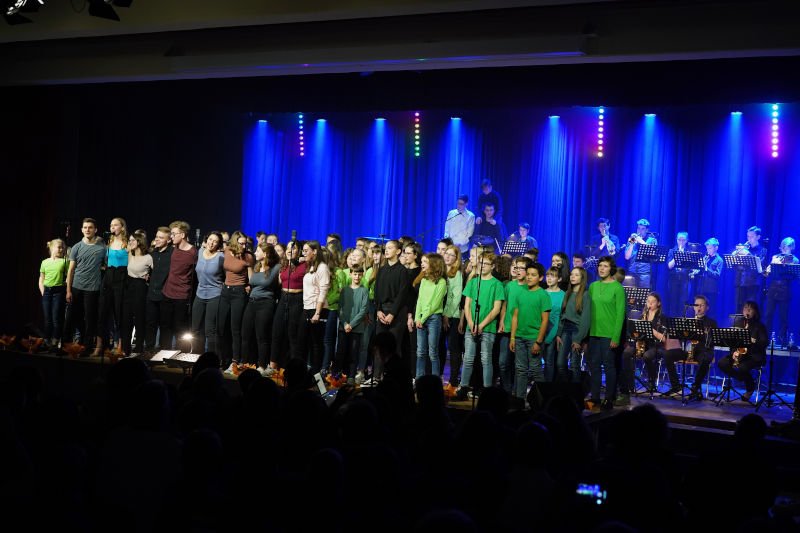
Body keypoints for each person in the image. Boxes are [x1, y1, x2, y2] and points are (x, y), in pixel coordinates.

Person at [454, 251, 505, 400]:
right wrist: (470, 323)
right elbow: (467, 304)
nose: (482, 266)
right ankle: (463, 387)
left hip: (487, 328)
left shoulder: (497, 284)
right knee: (468, 358)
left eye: (486, 264)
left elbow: (496, 309)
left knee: (486, 359)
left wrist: (481, 325)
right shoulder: (473, 282)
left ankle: (487, 390)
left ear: (493, 266)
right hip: (472, 327)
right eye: (481, 263)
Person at [587, 256, 626, 410]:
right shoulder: (593, 286)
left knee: (609, 366)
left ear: (611, 269)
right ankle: (595, 397)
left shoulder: (617, 288)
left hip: (609, 334)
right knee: (594, 366)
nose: (602, 268)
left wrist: (615, 336)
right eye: (600, 265)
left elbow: (620, 314)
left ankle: (609, 398)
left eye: (605, 266)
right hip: (593, 333)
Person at [509, 263, 551, 406]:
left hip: (533, 338)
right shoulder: (521, 292)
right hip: (520, 336)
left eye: (533, 275)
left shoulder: (543, 295)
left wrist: (538, 341)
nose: (529, 277)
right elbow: (515, 316)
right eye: (528, 274)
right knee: (520, 369)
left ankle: (541, 401)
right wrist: (513, 337)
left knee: (535, 369)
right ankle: (519, 400)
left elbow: (545, 320)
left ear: (540, 278)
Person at [62, 218, 106, 353]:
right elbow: (71, 270)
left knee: (90, 318)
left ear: (95, 230)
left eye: (90, 227)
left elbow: (107, 265)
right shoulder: (76, 247)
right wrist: (68, 290)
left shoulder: (102, 248)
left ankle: (86, 347)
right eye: (85, 227)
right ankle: (65, 345)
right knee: (71, 317)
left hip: (92, 288)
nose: (87, 230)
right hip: (76, 287)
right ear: (82, 230)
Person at [663, 295, 717, 401]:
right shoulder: (687, 321)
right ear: (693, 307)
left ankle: (695, 387)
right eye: (696, 305)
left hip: (702, 351)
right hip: (688, 350)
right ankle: (676, 386)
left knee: (706, 358)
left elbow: (713, 340)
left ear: (707, 307)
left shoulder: (711, 323)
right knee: (667, 354)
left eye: (702, 305)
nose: (699, 307)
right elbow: (678, 336)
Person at [618, 292, 666, 403]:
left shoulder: (662, 318)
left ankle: (651, 382)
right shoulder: (642, 316)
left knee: (647, 356)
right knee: (626, 353)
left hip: (655, 345)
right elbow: (635, 332)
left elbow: (663, 339)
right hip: (641, 343)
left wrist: (651, 330)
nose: (650, 304)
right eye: (648, 301)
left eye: (653, 301)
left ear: (658, 303)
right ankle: (629, 383)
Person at [241, 242, 280, 375]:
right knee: (246, 334)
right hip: (251, 302)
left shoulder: (275, 268)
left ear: (266, 254)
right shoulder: (256, 266)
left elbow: (268, 282)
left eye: (258, 251)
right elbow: (252, 281)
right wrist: (248, 267)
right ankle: (245, 363)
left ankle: (262, 365)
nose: (255, 253)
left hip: (265, 303)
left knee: (262, 336)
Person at [717, 300, 768, 402]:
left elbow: (764, 343)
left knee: (743, 367)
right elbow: (731, 341)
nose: (747, 311)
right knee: (722, 363)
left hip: (753, 356)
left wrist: (751, 343)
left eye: (750, 309)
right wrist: (734, 353)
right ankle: (741, 378)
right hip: (739, 355)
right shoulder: (738, 323)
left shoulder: (760, 326)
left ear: (755, 312)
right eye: (745, 308)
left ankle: (750, 388)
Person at [498, 256, 532, 394]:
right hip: (507, 328)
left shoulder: (529, 288)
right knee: (503, 362)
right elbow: (505, 305)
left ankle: (517, 393)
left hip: (520, 331)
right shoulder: (509, 285)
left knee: (519, 366)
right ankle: (506, 390)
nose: (518, 270)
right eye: (516, 267)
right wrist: (501, 321)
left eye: (521, 268)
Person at [161, 221, 197, 353]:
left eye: (174, 234)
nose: (171, 236)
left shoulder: (193, 253)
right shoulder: (173, 249)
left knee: (180, 328)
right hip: (167, 293)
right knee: (166, 326)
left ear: (182, 235)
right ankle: (164, 354)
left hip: (182, 296)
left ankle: (181, 355)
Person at [297, 240, 331, 375]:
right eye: (303, 251)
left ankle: (317, 376)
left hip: (318, 309)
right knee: (302, 343)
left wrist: (317, 312)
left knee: (316, 344)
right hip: (307, 307)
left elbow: (323, 291)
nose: (303, 253)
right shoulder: (309, 266)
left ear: (315, 251)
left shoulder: (322, 268)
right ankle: (302, 373)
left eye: (306, 250)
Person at [96, 217, 128, 355]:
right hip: (108, 278)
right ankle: (100, 345)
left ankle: (120, 345)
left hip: (121, 278)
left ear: (122, 227)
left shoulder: (127, 243)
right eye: (111, 225)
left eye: (115, 225)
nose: (112, 227)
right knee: (102, 312)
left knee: (119, 313)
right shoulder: (107, 242)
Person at [556, 267, 591, 383]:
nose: (572, 277)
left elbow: (585, 319)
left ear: (582, 278)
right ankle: (566, 389)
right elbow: (563, 315)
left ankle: (575, 394)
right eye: (572, 274)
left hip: (576, 330)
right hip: (565, 329)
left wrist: (578, 339)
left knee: (574, 364)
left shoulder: (585, 295)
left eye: (576, 275)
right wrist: (558, 334)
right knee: (560, 363)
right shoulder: (568, 293)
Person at [191, 231, 224, 355]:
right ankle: (196, 355)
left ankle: (211, 358)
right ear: (206, 240)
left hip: (214, 295)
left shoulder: (221, 257)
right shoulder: (200, 252)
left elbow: (226, 275)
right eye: (210, 239)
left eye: (215, 241)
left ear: (218, 244)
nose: (212, 243)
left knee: (210, 330)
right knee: (195, 328)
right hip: (199, 294)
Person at [414, 253, 447, 378]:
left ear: (434, 264)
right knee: (420, 352)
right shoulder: (424, 280)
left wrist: (422, 319)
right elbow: (420, 301)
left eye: (425, 262)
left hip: (433, 318)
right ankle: (419, 378)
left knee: (433, 353)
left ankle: (435, 380)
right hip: (421, 318)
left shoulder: (442, 282)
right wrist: (418, 318)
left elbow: (434, 304)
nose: (422, 264)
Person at [121, 230, 153, 356]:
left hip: (140, 287)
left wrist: (149, 277)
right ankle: (125, 348)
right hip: (129, 286)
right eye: (130, 240)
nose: (130, 242)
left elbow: (155, 273)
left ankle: (139, 346)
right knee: (126, 318)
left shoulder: (148, 257)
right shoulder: (129, 254)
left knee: (139, 318)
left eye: (133, 240)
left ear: (139, 242)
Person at [336, 267, 368, 382]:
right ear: (350, 274)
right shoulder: (345, 290)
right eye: (355, 274)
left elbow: (363, 310)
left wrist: (351, 324)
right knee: (341, 351)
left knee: (354, 353)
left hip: (357, 328)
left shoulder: (364, 291)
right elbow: (340, 308)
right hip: (343, 327)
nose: (357, 277)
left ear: (362, 275)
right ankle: (338, 374)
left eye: (359, 274)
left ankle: (350, 376)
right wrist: (345, 323)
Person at [764, 237, 798, 345]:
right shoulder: (776, 257)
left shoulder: (795, 260)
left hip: (785, 289)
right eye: (782, 246)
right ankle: (766, 338)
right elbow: (768, 272)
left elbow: (794, 276)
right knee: (768, 314)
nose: (783, 248)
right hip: (773, 288)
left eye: (786, 247)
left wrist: (784, 267)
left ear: (791, 248)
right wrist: (768, 269)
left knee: (783, 317)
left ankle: (783, 340)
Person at [145, 227, 172, 353]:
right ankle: (149, 349)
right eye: (156, 237)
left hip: (165, 294)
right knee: (150, 323)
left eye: (161, 237)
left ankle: (164, 351)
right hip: (151, 294)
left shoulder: (172, 254)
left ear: (169, 240)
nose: (157, 239)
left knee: (165, 325)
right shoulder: (152, 253)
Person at [39, 238, 69, 350]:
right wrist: (43, 291)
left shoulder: (65, 261)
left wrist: (65, 285)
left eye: (62, 247)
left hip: (58, 291)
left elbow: (69, 276)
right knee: (47, 318)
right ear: (51, 248)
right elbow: (41, 278)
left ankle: (55, 340)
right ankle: (46, 340)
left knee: (56, 317)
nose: (61, 249)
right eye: (59, 247)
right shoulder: (45, 262)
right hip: (47, 291)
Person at [441, 244, 464, 387]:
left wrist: (447, 316)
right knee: (439, 347)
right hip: (440, 314)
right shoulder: (440, 271)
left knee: (454, 348)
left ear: (456, 259)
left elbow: (455, 297)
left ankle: (454, 379)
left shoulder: (457, 274)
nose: (447, 257)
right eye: (446, 253)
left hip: (453, 316)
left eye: (451, 255)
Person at [731, 225, 767, 311]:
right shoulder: (745, 248)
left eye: (752, 236)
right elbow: (734, 266)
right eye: (748, 236)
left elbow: (760, 267)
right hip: (740, 282)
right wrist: (734, 256)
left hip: (752, 284)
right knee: (738, 308)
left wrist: (747, 254)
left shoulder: (763, 250)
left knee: (750, 309)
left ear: (758, 237)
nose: (749, 238)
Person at [690, 237, 724, 319]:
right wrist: (695, 272)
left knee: (710, 311)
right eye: (707, 248)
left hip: (711, 290)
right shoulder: (705, 258)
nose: (708, 250)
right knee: (700, 309)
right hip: (702, 288)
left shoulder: (719, 260)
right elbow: (701, 270)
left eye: (710, 248)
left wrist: (706, 269)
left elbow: (717, 275)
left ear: (716, 248)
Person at [542, 266, 565, 382]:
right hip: (540, 331)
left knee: (549, 362)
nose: (549, 278)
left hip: (553, 331)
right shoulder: (542, 293)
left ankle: (548, 389)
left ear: (559, 279)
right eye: (548, 275)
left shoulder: (563, 295)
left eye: (553, 276)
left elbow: (560, 317)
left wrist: (553, 335)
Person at [624, 218, 657, 288]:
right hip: (632, 271)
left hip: (644, 273)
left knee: (643, 297)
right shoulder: (632, 239)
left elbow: (653, 255)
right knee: (630, 297)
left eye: (643, 229)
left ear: (647, 230)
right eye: (638, 228)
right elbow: (627, 257)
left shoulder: (652, 240)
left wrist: (641, 241)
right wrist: (632, 243)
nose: (640, 231)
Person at [666, 232, 691, 316]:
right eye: (679, 240)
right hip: (673, 280)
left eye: (683, 240)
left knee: (683, 303)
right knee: (673, 302)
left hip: (684, 280)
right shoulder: (671, 251)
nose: (681, 242)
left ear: (687, 241)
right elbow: (669, 266)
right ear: (676, 240)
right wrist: (678, 255)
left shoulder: (689, 252)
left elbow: (690, 268)